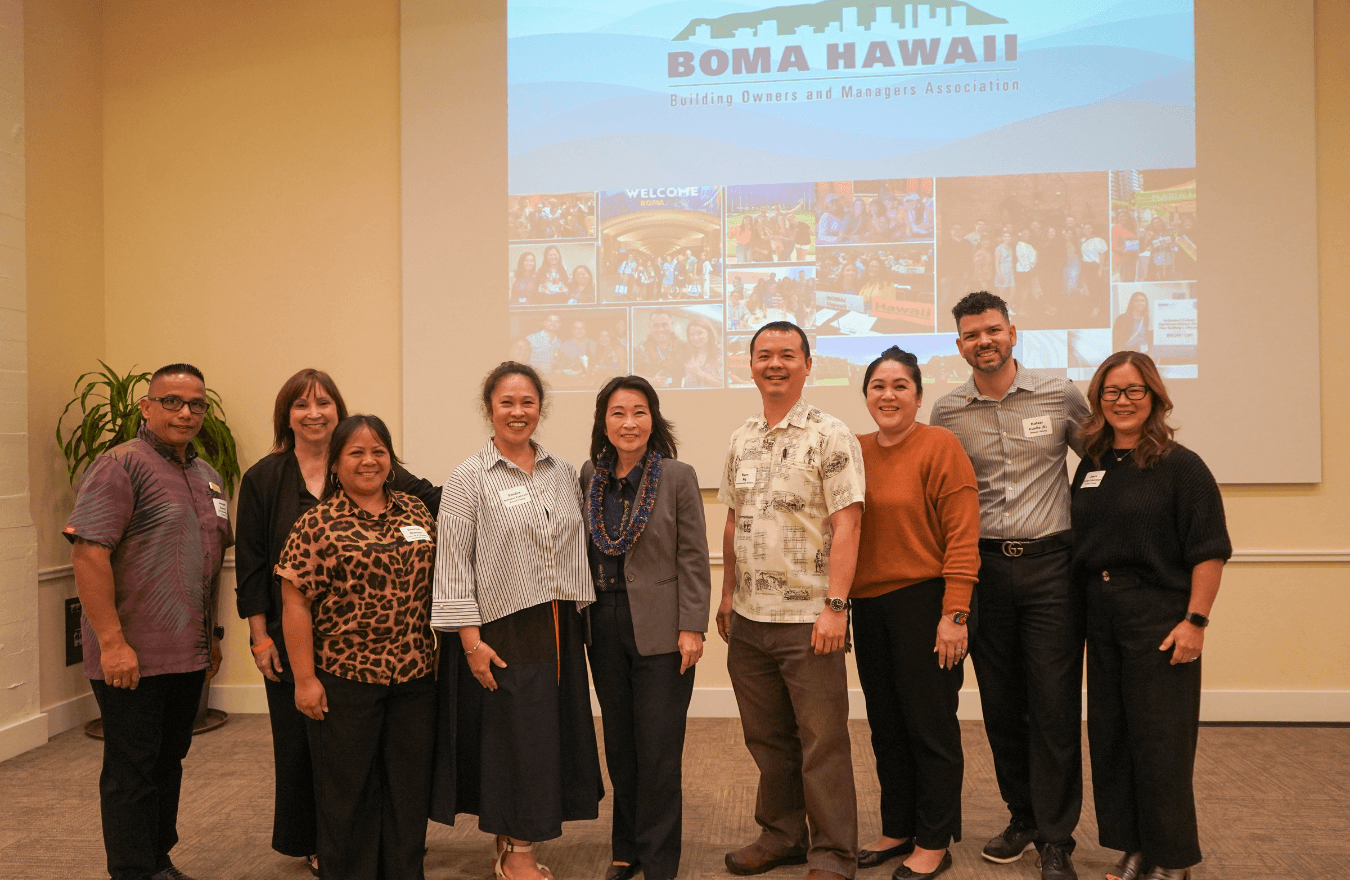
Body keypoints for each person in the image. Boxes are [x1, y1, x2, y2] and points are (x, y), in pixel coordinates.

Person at [235, 369, 441, 877]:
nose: (368, 461)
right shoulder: (315, 520)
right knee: (346, 786)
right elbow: (293, 601)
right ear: (337, 461)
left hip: (414, 677)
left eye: (378, 452)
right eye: (356, 454)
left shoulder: (415, 508)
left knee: (407, 785)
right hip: (345, 675)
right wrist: (303, 678)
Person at [929, 292, 1090, 880]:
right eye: (972, 335)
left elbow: (1099, 470)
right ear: (960, 345)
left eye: (992, 330)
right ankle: (1022, 816)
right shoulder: (946, 412)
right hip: (984, 573)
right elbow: (941, 500)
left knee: (1052, 705)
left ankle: (1056, 837)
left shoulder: (1060, 393)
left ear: (1012, 332)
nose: (984, 342)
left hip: (1052, 568)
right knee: (1000, 705)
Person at [431, 362, 603, 880]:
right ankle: (519, 853)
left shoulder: (560, 471)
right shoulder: (469, 478)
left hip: (559, 623)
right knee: (518, 742)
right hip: (503, 629)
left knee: (547, 738)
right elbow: (454, 562)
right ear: (489, 410)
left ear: (540, 409)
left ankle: (514, 841)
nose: (517, 412)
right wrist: (470, 643)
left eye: (527, 402)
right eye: (506, 402)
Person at [66, 363, 232, 880]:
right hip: (132, 656)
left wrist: (212, 639)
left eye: (197, 404)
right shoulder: (120, 465)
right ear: (146, 406)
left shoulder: (207, 475)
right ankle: (133, 870)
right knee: (132, 770)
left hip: (188, 653)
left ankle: (159, 860)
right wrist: (113, 644)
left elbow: (212, 561)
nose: (186, 413)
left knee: (169, 761)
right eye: (173, 401)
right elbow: (89, 553)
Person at [1070, 352, 1230, 880]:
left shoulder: (1182, 465)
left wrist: (1196, 622)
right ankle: (1134, 846)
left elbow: (1209, 550)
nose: (1123, 401)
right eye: (1112, 392)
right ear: (1098, 401)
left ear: (1155, 397)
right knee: (1113, 738)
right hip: (1103, 618)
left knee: (1161, 741)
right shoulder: (1093, 465)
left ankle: (1174, 857)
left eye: (1134, 391)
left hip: (1159, 619)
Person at [716, 321, 864, 880]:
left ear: (807, 363)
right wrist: (727, 593)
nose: (774, 364)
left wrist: (836, 607)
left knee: (821, 742)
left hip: (809, 620)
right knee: (767, 739)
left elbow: (848, 526)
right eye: (763, 355)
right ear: (750, 364)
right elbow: (732, 521)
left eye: (786, 355)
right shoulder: (741, 437)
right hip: (750, 619)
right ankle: (781, 835)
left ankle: (833, 854)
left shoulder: (831, 435)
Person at [852, 347, 980, 880]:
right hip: (867, 605)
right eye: (878, 385)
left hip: (924, 602)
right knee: (886, 724)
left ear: (919, 396)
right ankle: (897, 826)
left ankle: (934, 838)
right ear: (865, 396)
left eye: (900, 385)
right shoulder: (853, 450)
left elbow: (962, 533)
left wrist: (955, 613)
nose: (888, 395)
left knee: (929, 725)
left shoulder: (940, 445)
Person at [581, 376, 712, 880]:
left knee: (657, 748)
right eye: (617, 413)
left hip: (663, 629)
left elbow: (694, 557)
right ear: (604, 421)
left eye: (638, 411)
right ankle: (626, 848)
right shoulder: (590, 475)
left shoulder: (677, 475)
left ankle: (659, 859)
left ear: (653, 418)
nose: (628, 422)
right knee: (620, 743)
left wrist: (692, 626)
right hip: (604, 624)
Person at [635, 310, 688, 389]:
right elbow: (630, 373)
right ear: (649, 326)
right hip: (651, 396)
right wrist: (651, 381)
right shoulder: (640, 348)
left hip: (678, 396)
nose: (660, 329)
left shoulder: (684, 347)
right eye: (656, 326)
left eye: (664, 325)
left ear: (671, 325)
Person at [682, 315, 723, 388]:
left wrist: (701, 374)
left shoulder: (719, 353)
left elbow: (723, 384)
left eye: (700, 333)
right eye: (692, 334)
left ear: (709, 333)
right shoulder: (689, 354)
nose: (695, 338)